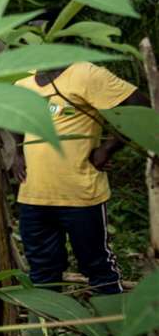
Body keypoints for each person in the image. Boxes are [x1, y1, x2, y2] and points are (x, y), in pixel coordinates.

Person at [15, 61, 147, 293]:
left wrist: (107, 148)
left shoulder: (86, 73)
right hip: (33, 196)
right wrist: (15, 153)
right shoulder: (23, 80)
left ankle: (113, 327)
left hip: (81, 196)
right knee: (42, 273)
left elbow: (140, 105)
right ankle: (50, 327)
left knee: (97, 267)